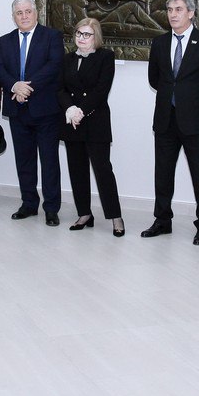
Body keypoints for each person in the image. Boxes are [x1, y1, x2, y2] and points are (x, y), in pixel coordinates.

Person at [142, 0, 199, 245]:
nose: (173, 14)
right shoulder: (159, 43)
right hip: (165, 119)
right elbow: (155, 79)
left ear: (191, 13)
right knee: (162, 174)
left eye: (179, 9)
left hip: (196, 122)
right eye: (170, 9)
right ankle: (162, 220)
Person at [0, 0, 65, 226]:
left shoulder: (52, 36)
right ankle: (28, 204)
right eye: (19, 13)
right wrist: (15, 86)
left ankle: (51, 208)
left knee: (49, 161)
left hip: (45, 110)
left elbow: (54, 66)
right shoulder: (5, 41)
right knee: (24, 161)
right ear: (13, 16)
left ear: (36, 13)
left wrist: (26, 88)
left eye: (27, 11)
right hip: (17, 110)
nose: (24, 16)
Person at [57, 18, 125, 237]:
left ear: (96, 37)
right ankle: (84, 214)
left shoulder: (106, 57)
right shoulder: (67, 58)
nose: (81, 38)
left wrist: (81, 111)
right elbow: (60, 89)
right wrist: (70, 109)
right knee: (77, 170)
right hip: (72, 122)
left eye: (87, 34)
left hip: (95, 121)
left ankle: (115, 217)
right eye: (79, 33)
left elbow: (101, 90)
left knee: (103, 171)